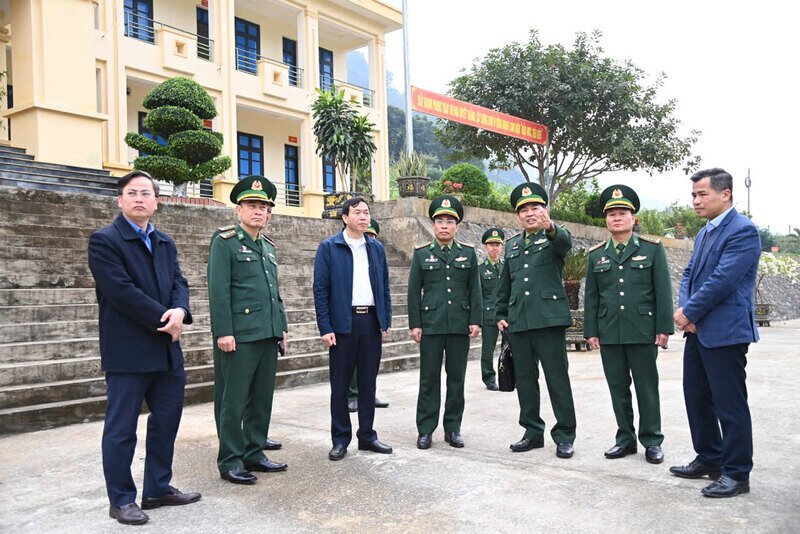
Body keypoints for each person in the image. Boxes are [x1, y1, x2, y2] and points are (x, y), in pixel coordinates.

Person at [88, 170, 200, 526]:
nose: (140, 198)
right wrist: (167, 317)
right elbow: (120, 291)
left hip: (167, 349)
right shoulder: (105, 241)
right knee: (121, 430)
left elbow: (179, 282)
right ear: (120, 200)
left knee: (166, 422)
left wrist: (180, 310)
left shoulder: (164, 241)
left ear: (156, 200)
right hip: (129, 351)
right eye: (132, 193)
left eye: (146, 193)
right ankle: (121, 500)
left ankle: (157, 488)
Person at [670, 168, 761, 498]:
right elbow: (691, 276)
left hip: (725, 332)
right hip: (697, 331)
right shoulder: (704, 233)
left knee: (730, 405)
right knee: (696, 397)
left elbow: (723, 280)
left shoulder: (743, 231)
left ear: (726, 194)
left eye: (702, 194)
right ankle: (710, 458)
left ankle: (737, 473)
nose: (695, 200)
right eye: (693, 195)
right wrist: (686, 313)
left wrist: (689, 313)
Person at [584, 185, 673, 464]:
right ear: (606, 220)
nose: (617, 218)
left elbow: (663, 291)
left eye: (622, 213)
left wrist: (664, 327)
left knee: (647, 388)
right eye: (611, 214)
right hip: (609, 331)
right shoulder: (596, 254)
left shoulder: (652, 249)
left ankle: (652, 440)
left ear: (633, 218)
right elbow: (592, 297)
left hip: (643, 331)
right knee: (618, 388)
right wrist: (591, 331)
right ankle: (625, 439)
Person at [208, 175, 289, 485]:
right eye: (252, 205)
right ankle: (230, 459)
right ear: (239, 209)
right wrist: (223, 332)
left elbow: (274, 291)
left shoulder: (267, 246)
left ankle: (254, 452)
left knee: (261, 399)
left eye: (264, 207)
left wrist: (280, 327)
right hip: (239, 336)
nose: (259, 212)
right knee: (233, 399)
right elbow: (219, 290)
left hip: (267, 333)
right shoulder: (225, 241)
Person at [496, 182, 576, 459]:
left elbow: (565, 243)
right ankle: (531, 432)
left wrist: (551, 226)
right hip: (519, 322)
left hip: (549, 321)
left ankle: (565, 435)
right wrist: (500, 314)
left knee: (557, 379)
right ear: (518, 216)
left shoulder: (553, 238)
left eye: (536, 208)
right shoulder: (512, 245)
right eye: (525, 210)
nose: (530, 213)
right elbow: (506, 284)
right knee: (526, 381)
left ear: (544, 210)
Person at [313, 197, 393, 461]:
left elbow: (384, 286)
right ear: (345, 217)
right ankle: (340, 439)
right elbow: (320, 290)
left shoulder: (375, 248)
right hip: (342, 323)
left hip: (370, 321)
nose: (364, 216)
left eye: (367, 212)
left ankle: (368, 436)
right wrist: (325, 326)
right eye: (357, 212)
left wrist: (385, 318)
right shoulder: (329, 248)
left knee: (369, 384)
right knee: (340, 385)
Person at [408, 195, 482, 449]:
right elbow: (413, 291)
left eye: (449, 221)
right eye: (439, 221)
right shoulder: (421, 254)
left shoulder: (469, 254)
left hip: (459, 326)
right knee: (428, 379)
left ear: (457, 227)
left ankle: (453, 429)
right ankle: (425, 430)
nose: (444, 225)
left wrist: (476, 321)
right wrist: (415, 324)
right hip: (430, 325)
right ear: (433, 225)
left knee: (456, 380)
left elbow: (476, 289)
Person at [347, 219, 390, 413]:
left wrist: (385, 319)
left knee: (370, 362)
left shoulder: (376, 252)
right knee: (352, 363)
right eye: (368, 235)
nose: (369, 238)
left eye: (373, 235)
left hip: (372, 316)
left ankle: (368, 394)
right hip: (352, 315)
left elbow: (384, 289)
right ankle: (353, 394)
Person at [478, 228, 505, 391]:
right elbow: (478, 295)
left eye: (497, 245)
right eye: (491, 245)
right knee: (488, 349)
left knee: (511, 348)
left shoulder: (506, 267)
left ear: (502, 247)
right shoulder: (480, 269)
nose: (494, 248)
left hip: (506, 315)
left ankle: (510, 375)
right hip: (488, 315)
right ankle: (489, 378)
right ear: (485, 247)